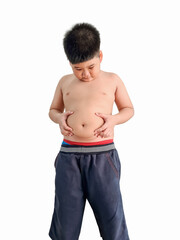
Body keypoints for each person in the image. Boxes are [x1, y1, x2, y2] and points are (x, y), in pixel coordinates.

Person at [48, 23, 134, 240]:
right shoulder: (64, 82)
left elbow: (128, 109)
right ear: (69, 63)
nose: (85, 74)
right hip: (68, 156)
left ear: (100, 56)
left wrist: (113, 119)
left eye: (91, 67)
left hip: (103, 156)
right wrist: (59, 118)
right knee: (65, 221)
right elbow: (53, 110)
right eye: (77, 69)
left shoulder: (112, 80)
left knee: (111, 218)